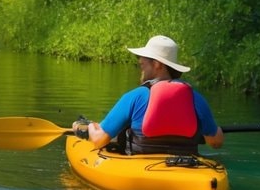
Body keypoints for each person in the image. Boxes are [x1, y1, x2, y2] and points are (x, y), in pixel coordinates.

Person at [75, 35, 224, 156]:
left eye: (144, 59)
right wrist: (209, 130)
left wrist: (85, 129)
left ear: (157, 64)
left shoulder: (135, 97)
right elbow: (216, 142)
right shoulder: (195, 98)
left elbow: (99, 139)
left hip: (142, 169)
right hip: (185, 167)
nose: (140, 61)